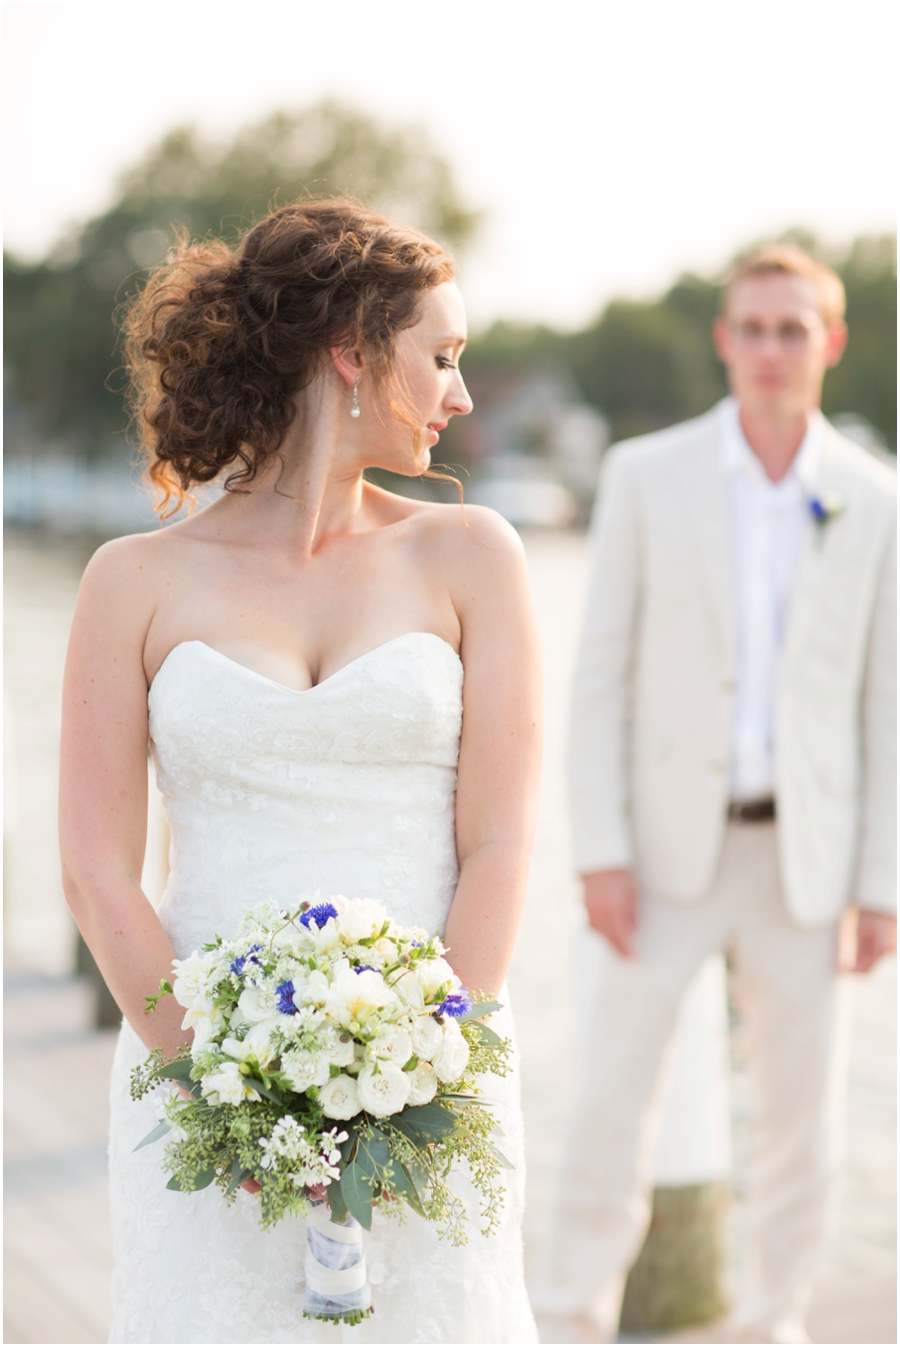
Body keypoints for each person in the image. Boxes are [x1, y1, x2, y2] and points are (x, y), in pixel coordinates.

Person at [58, 200, 542, 1345]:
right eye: (442, 356)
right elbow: (94, 870)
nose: (460, 393)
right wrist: (225, 1096)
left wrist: (421, 1068)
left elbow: (504, 844)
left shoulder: (473, 557)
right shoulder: (130, 581)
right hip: (200, 1091)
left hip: (436, 1087)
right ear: (352, 355)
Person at [536, 244, 896, 1344]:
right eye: (755, 327)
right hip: (660, 858)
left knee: (802, 1129)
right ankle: (571, 1318)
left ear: (830, 343)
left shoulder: (878, 501)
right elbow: (598, 678)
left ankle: (772, 1322)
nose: (773, 349)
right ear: (725, 339)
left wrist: (881, 882)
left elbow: (886, 709)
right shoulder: (648, 478)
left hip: (809, 863)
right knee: (609, 1108)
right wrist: (599, 849)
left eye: (796, 329)